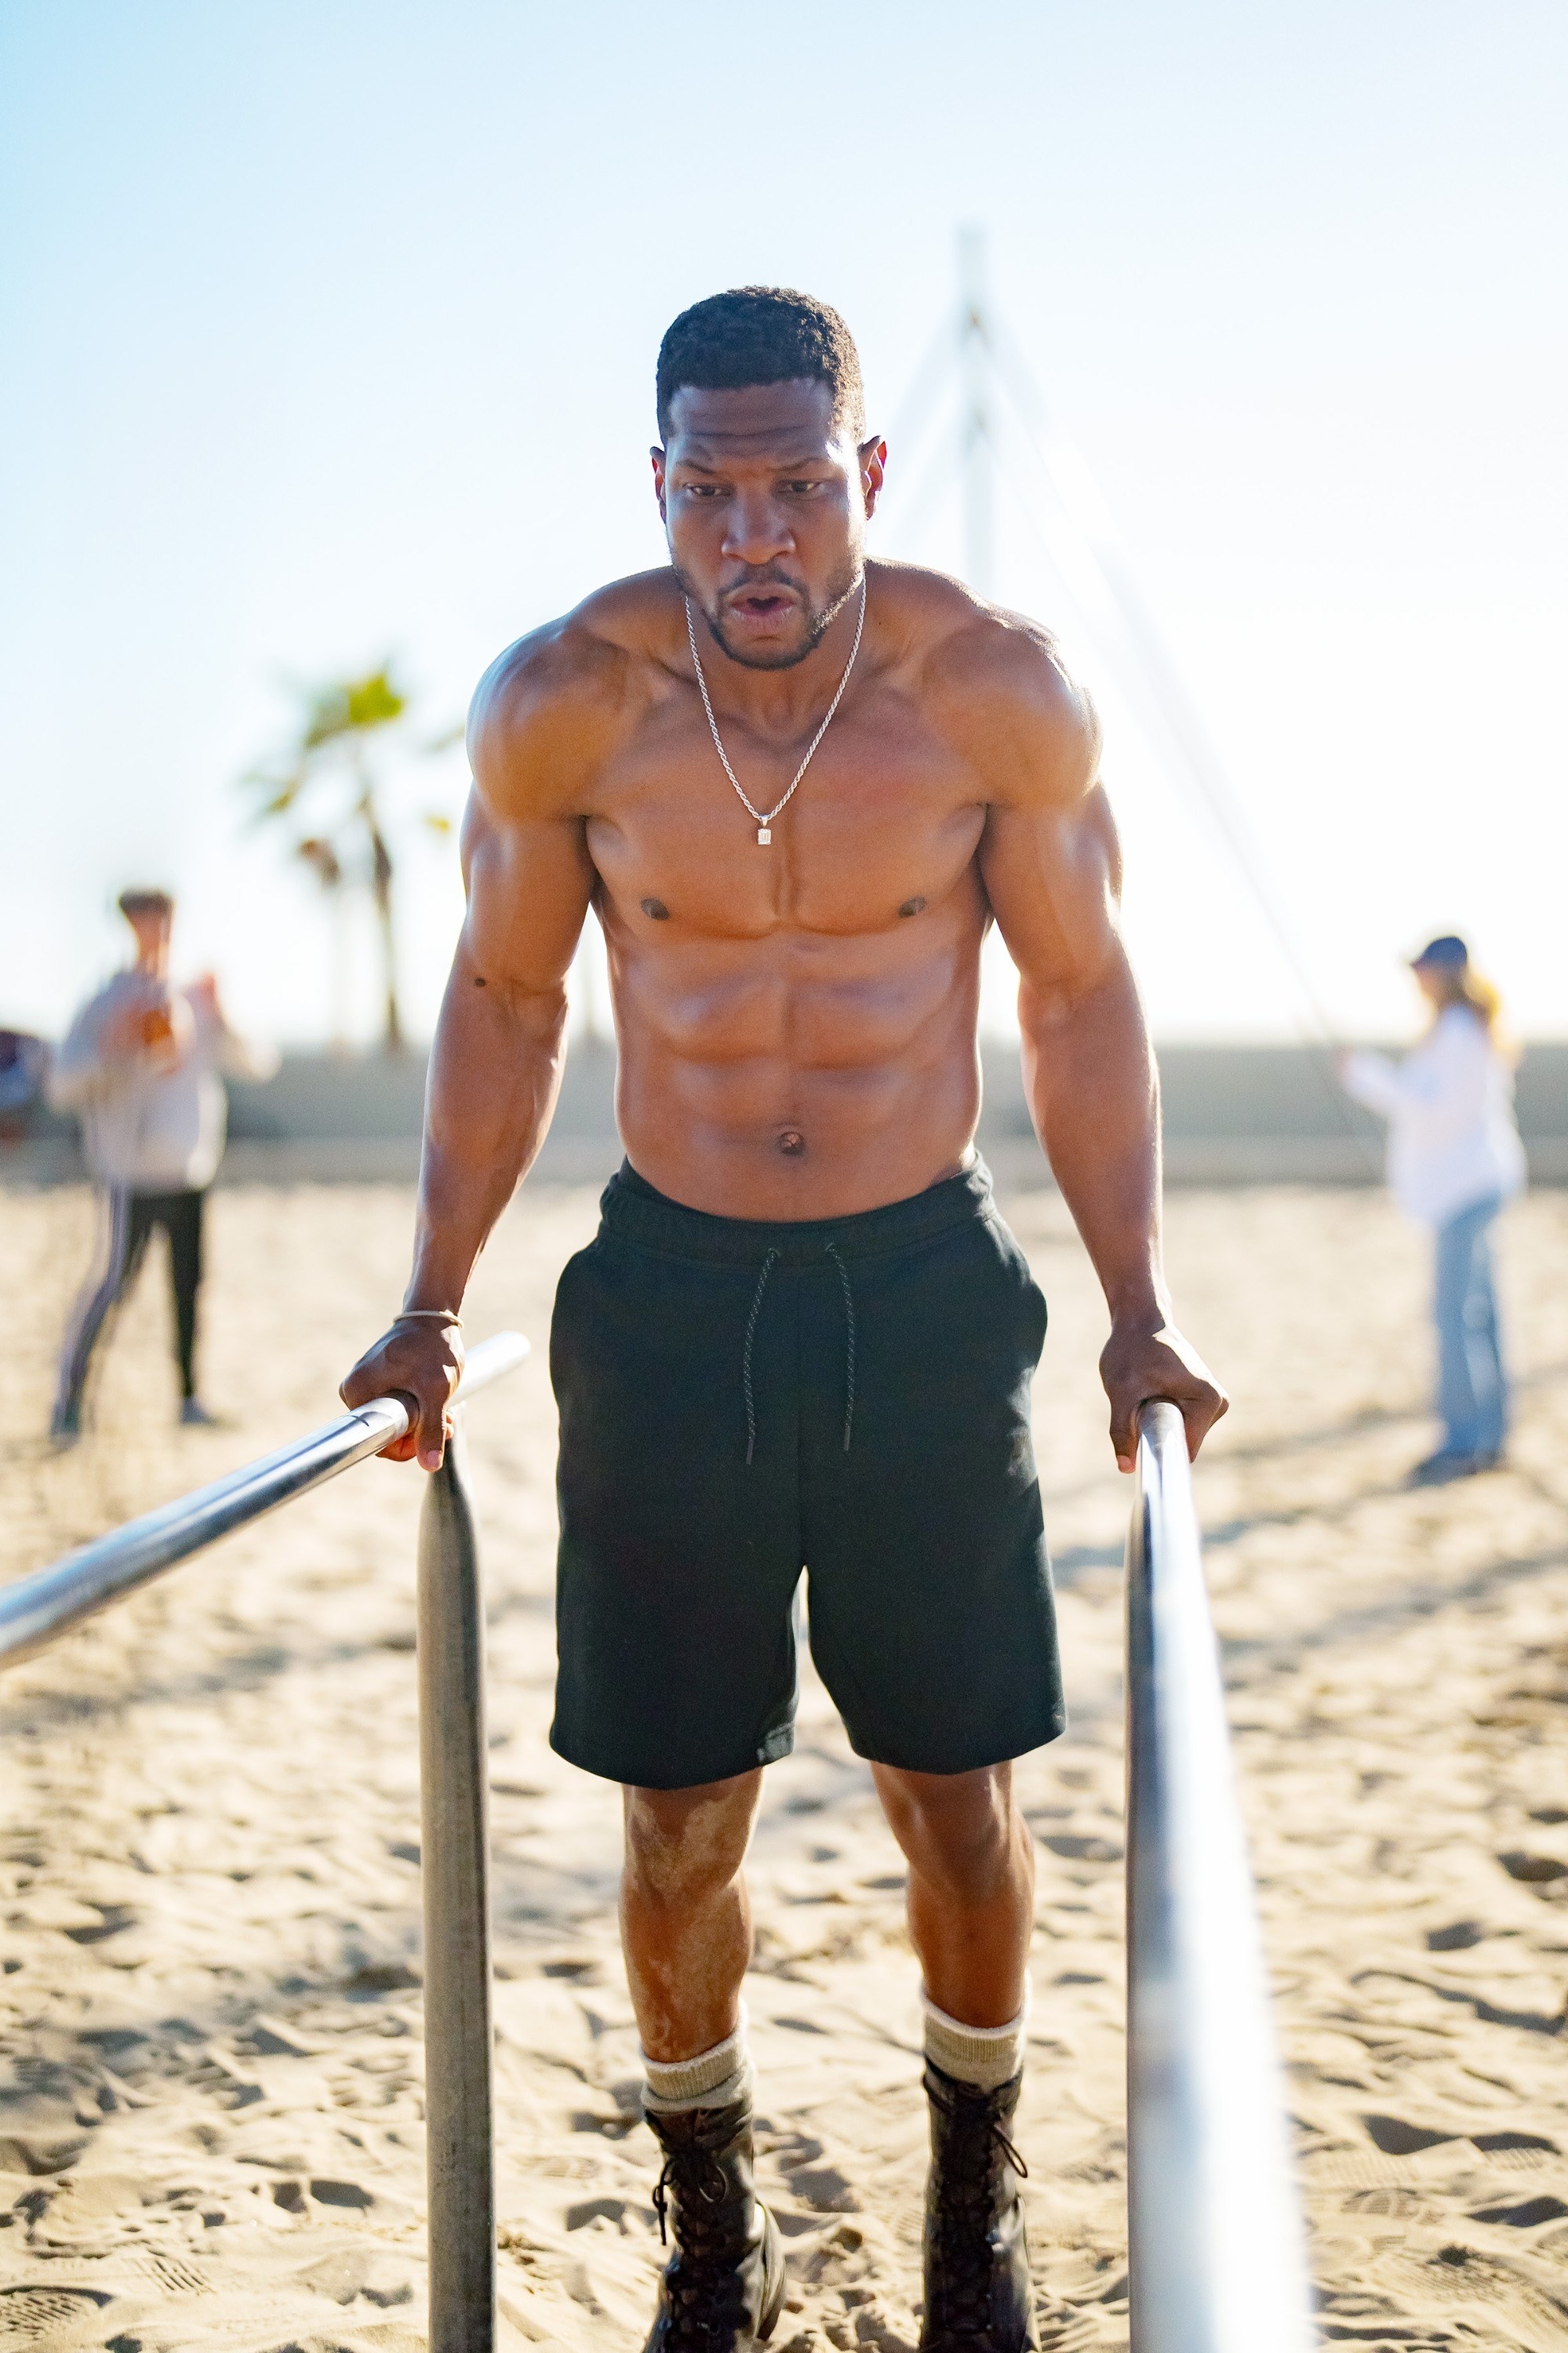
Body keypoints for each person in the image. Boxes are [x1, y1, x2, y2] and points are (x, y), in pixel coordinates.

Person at [340, 287, 1227, 2353]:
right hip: (668, 1296)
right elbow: (501, 1004)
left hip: (921, 1288)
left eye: (796, 487)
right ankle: (703, 2212)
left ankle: (970, 2200)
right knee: (674, 1818)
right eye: (709, 491)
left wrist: (1136, 1312)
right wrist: (422, 1304)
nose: (754, 534)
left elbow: (1078, 999)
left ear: (867, 478)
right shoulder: (563, 706)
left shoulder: (992, 697)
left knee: (953, 1786)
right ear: (652, 487)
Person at [47, 887, 278, 1442]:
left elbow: (256, 1063)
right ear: (129, 926)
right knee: (112, 1287)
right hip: (129, 1175)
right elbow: (61, 1087)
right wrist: (112, 1049)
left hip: (190, 1172)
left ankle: (188, 1398)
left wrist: (225, 1016)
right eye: (147, 921)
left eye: (165, 921)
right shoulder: (104, 1001)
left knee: (189, 1285)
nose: (158, 932)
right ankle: (70, 1404)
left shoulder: (195, 998)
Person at [1341, 933, 1524, 1485]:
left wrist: (1365, 1078)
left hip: (1465, 1191)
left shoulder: (1461, 1034)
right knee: (1479, 1311)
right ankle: (1488, 1436)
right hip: (1472, 1185)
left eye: (1422, 970)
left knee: (1453, 1314)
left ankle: (1465, 1442)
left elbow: (1436, 1113)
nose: (1415, 980)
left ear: (1443, 972)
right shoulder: (1459, 1031)